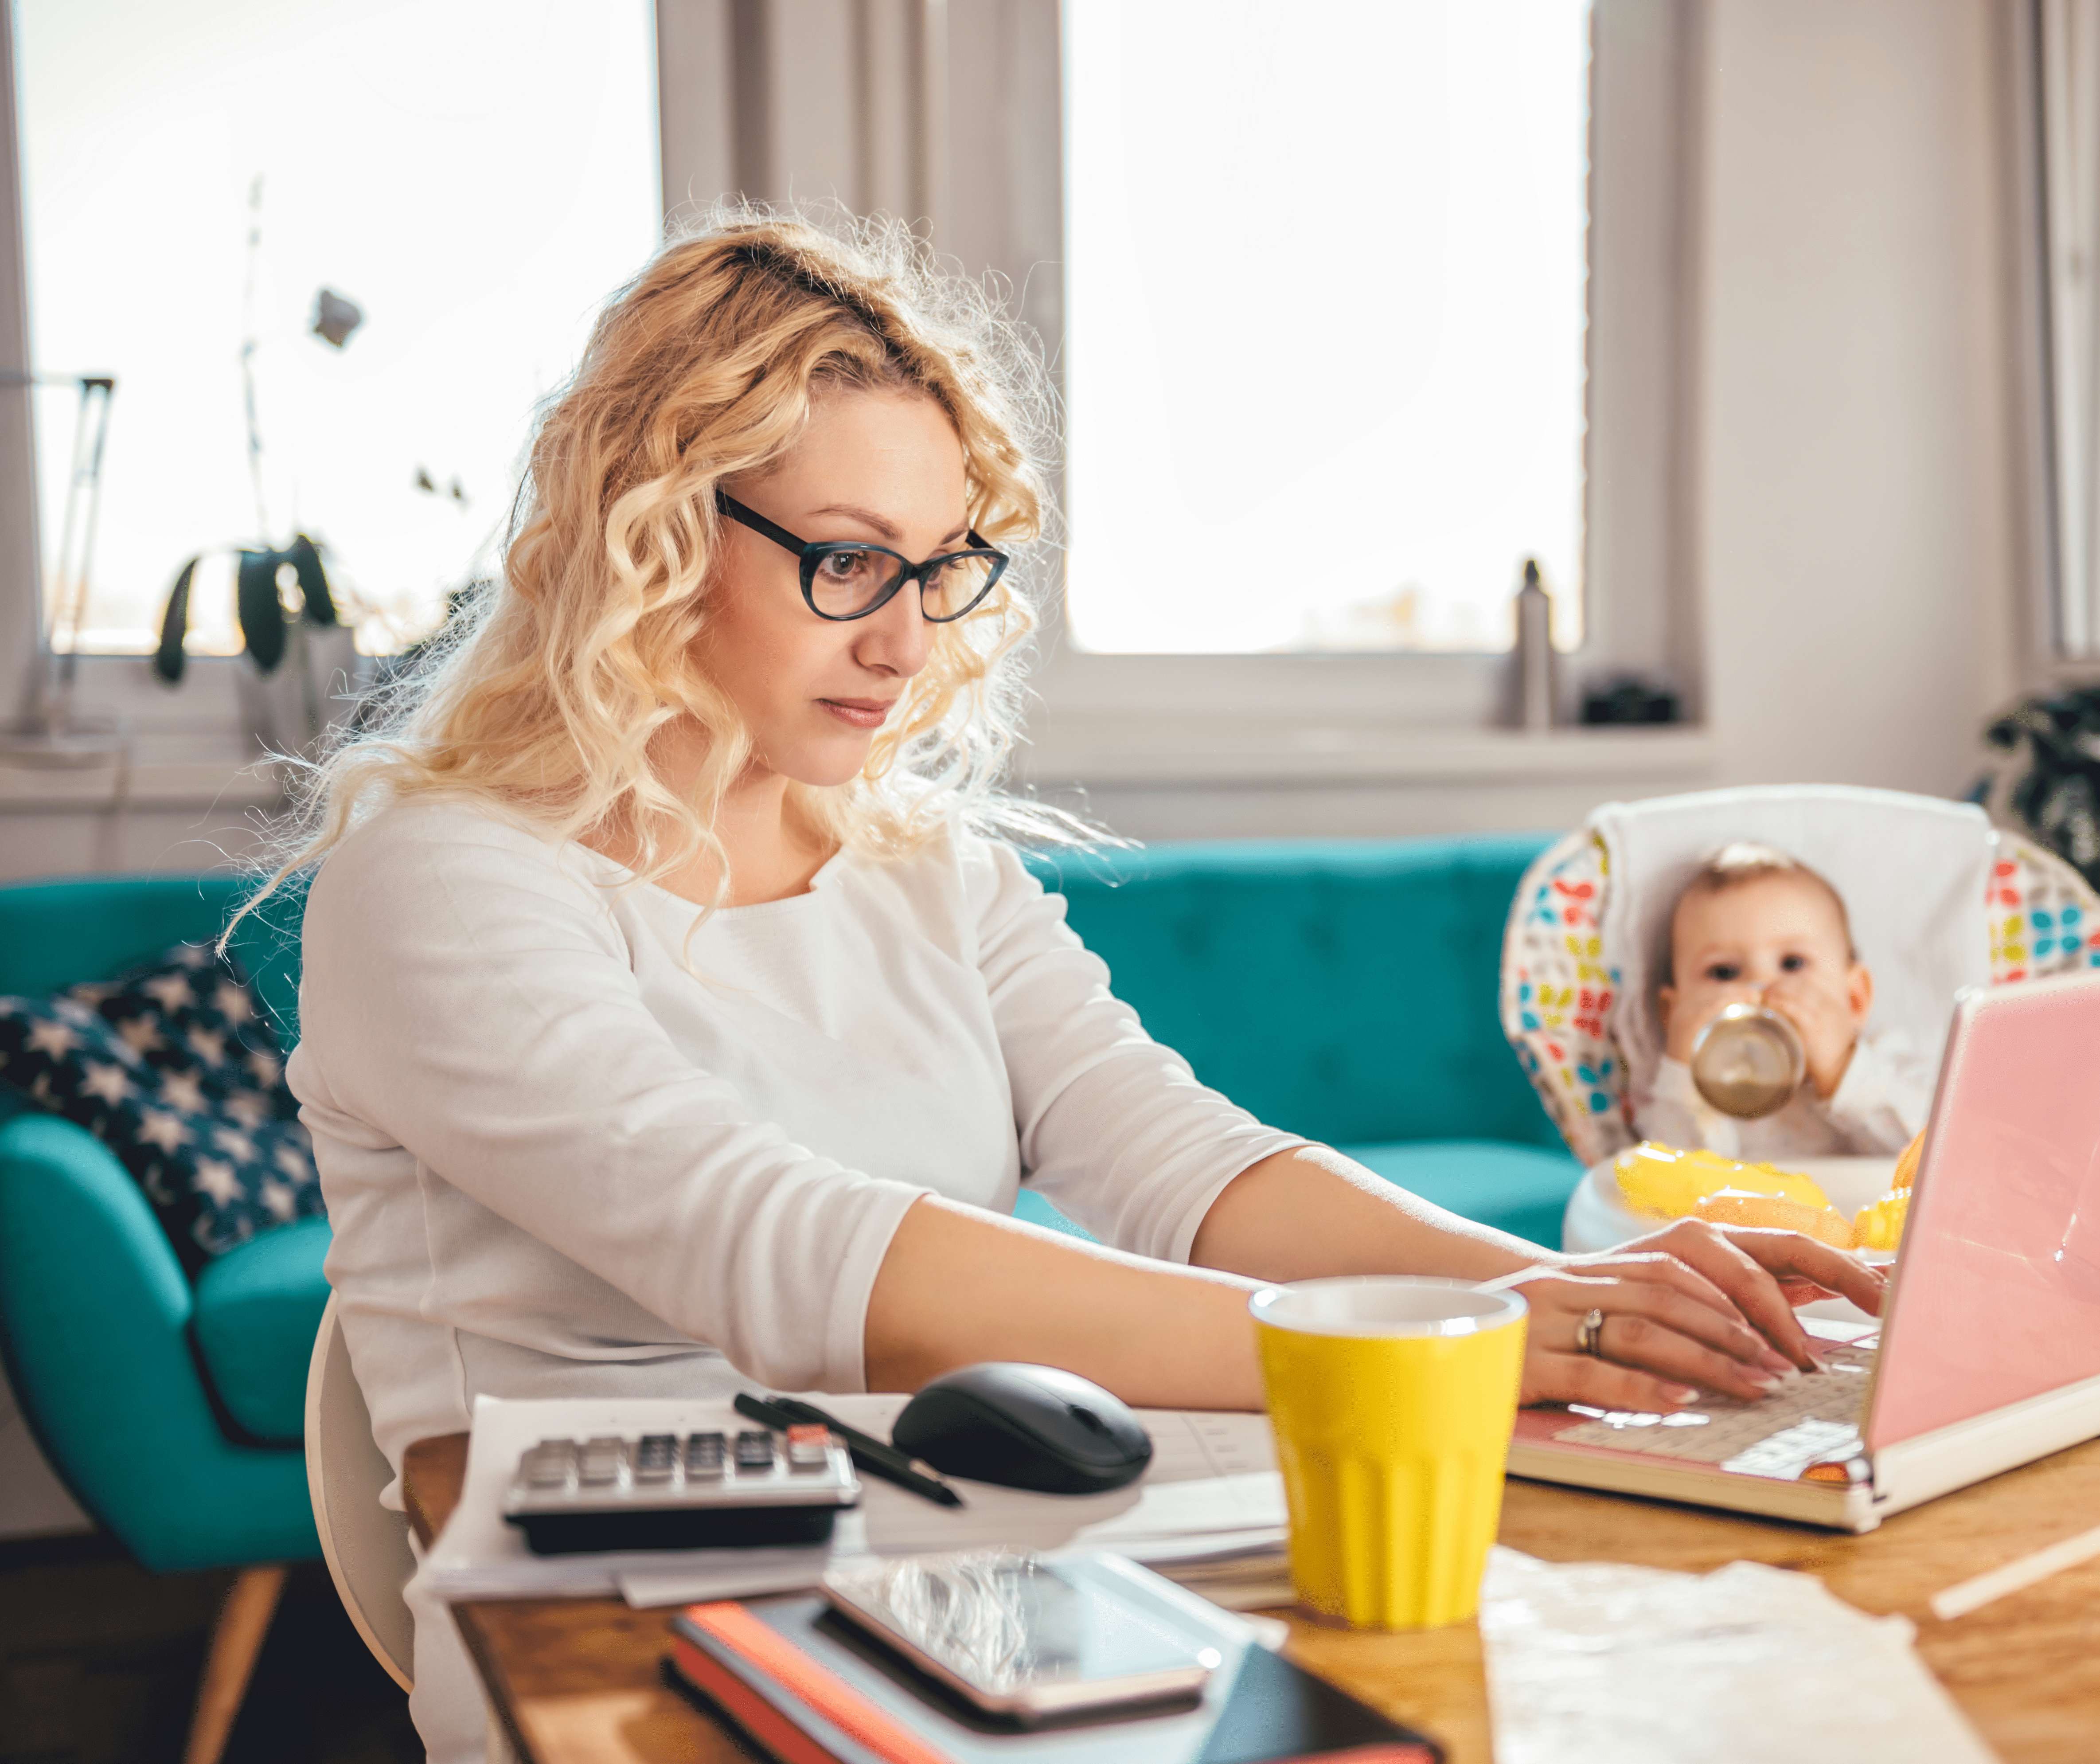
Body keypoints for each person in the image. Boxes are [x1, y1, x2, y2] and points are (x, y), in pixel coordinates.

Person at [262, 214, 1884, 1760]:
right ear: (657, 531)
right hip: (608, 1625)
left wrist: (1552, 1292)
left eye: (937, 568)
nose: (905, 644)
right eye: (845, 561)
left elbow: (1170, 1153)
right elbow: (775, 1248)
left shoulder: (918, 860)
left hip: (964, 1564)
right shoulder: (440, 876)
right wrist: (1416, 1341)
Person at [1637, 843, 1929, 1159]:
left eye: (1792, 964)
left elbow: (1933, 1157)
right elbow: (1665, 1182)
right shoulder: (1689, 1091)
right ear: (1672, 1013)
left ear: (1854, 999)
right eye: (1723, 972)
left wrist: (1841, 1068)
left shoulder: (1885, 1060)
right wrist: (1682, 1069)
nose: (1760, 990)